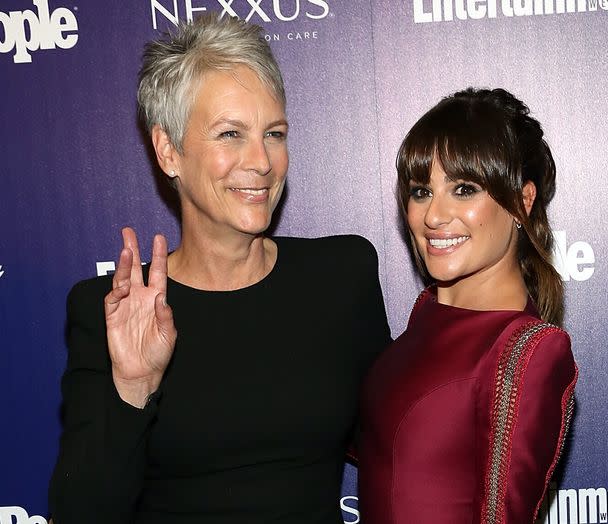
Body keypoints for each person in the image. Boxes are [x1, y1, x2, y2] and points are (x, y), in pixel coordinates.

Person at [48, 13, 390, 524]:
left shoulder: (342, 276)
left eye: (273, 133)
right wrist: (133, 388)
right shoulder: (111, 310)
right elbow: (81, 514)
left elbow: (401, 440)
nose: (262, 160)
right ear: (169, 151)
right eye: (230, 134)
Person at [358, 88, 578, 523]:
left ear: (522, 201)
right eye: (421, 191)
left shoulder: (526, 352)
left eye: (463, 189)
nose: (434, 216)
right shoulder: (426, 314)